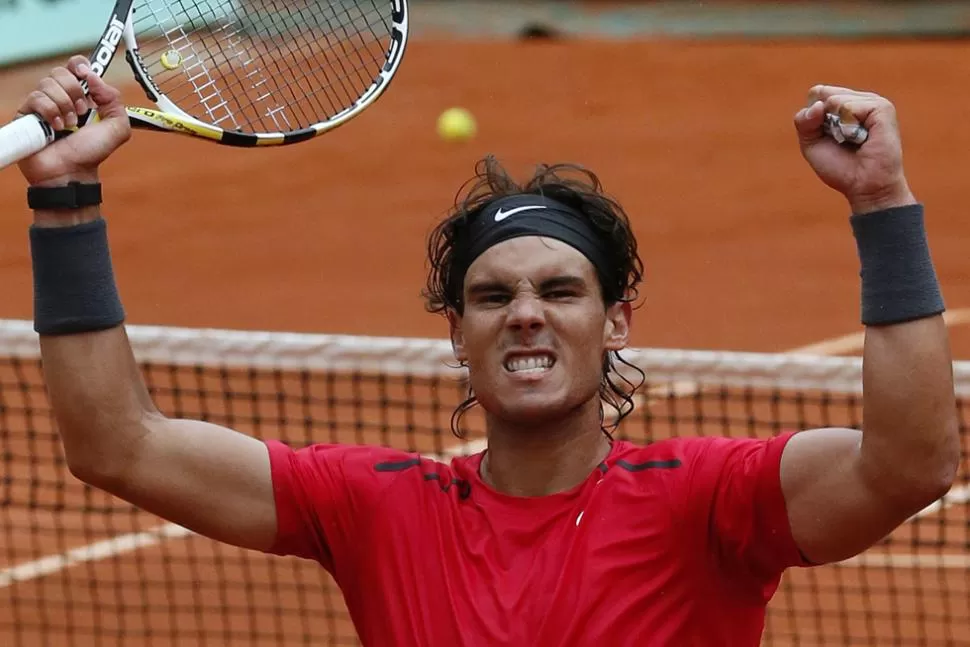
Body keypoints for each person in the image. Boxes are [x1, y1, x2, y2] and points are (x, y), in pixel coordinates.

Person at [13, 56, 959, 646]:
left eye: (559, 290)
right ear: (456, 332)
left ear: (616, 320)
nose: (525, 315)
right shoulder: (376, 510)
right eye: (491, 295)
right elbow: (116, 446)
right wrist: (64, 202)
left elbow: (909, 464)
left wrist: (882, 209)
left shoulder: (710, 501)